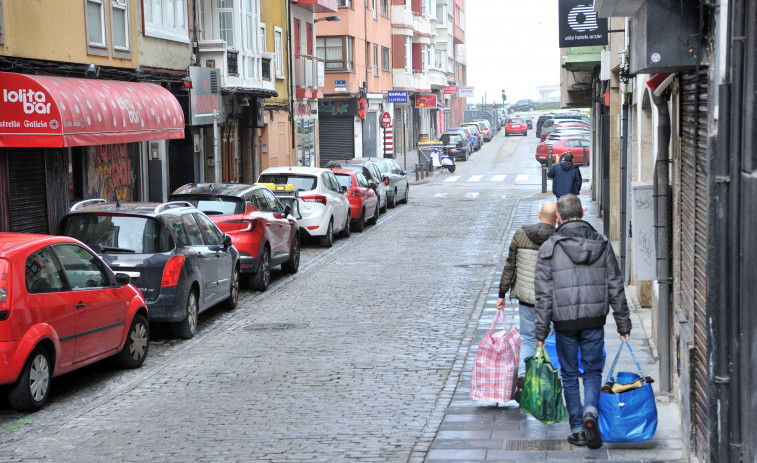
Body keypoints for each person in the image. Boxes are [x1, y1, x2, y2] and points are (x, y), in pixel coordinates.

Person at [533, 194, 631, 450]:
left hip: (563, 322)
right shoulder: (602, 243)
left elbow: (543, 296)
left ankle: (577, 428)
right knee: (592, 371)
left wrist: (541, 331)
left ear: (558, 218)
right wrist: (623, 325)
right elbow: (615, 286)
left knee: (568, 374)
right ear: (583, 212)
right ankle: (591, 412)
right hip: (594, 320)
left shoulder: (548, 248)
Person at [496, 201, 557, 403]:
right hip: (551, 301)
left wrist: (502, 293)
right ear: (557, 218)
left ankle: (524, 374)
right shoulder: (559, 239)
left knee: (529, 339)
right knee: (550, 341)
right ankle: (547, 383)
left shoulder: (521, 235)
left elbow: (510, 265)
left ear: (539, 214)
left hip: (527, 300)